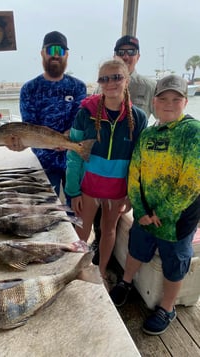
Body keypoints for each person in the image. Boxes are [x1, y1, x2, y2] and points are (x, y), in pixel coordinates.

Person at [110, 75, 200, 335]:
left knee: (175, 264)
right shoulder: (148, 134)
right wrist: (141, 210)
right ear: (154, 102)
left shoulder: (193, 132)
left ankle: (167, 308)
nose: (169, 104)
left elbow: (192, 183)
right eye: (163, 98)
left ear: (185, 102)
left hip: (177, 221)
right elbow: (134, 171)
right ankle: (126, 283)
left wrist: (161, 213)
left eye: (176, 99)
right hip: (144, 216)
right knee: (136, 250)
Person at [65, 58, 148, 283]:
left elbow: (139, 162)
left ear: (127, 80)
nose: (110, 82)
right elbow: (73, 153)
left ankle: (101, 271)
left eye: (116, 77)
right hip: (88, 187)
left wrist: (132, 194)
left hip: (117, 191)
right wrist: (72, 191)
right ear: (99, 82)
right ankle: (77, 271)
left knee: (108, 230)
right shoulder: (85, 113)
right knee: (81, 230)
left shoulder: (139, 118)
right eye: (104, 78)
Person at [92, 35, 156, 265]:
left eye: (131, 51)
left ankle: (107, 261)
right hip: (102, 165)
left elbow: (162, 121)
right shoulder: (105, 83)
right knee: (99, 218)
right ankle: (99, 251)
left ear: (138, 56)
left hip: (130, 163)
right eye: (121, 51)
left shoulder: (150, 86)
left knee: (114, 218)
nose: (126, 55)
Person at [8, 31, 87, 202]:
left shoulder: (78, 87)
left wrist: (65, 137)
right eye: (51, 50)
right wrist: (19, 144)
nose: (56, 55)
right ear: (42, 53)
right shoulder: (29, 89)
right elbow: (28, 128)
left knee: (76, 214)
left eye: (61, 51)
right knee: (46, 216)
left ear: (67, 55)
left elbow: (78, 121)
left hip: (73, 163)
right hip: (42, 166)